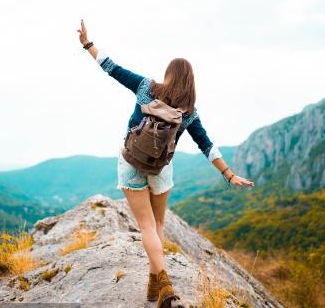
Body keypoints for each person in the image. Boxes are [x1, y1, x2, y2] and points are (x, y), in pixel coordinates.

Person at [76, 19, 254, 307]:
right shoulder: (189, 113)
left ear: (169, 75)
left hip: (131, 161)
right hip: (160, 169)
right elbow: (207, 146)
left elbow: (112, 67)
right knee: (157, 224)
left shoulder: (147, 87)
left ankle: (164, 284)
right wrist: (229, 174)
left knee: (146, 227)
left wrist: (87, 44)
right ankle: (154, 284)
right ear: (190, 81)